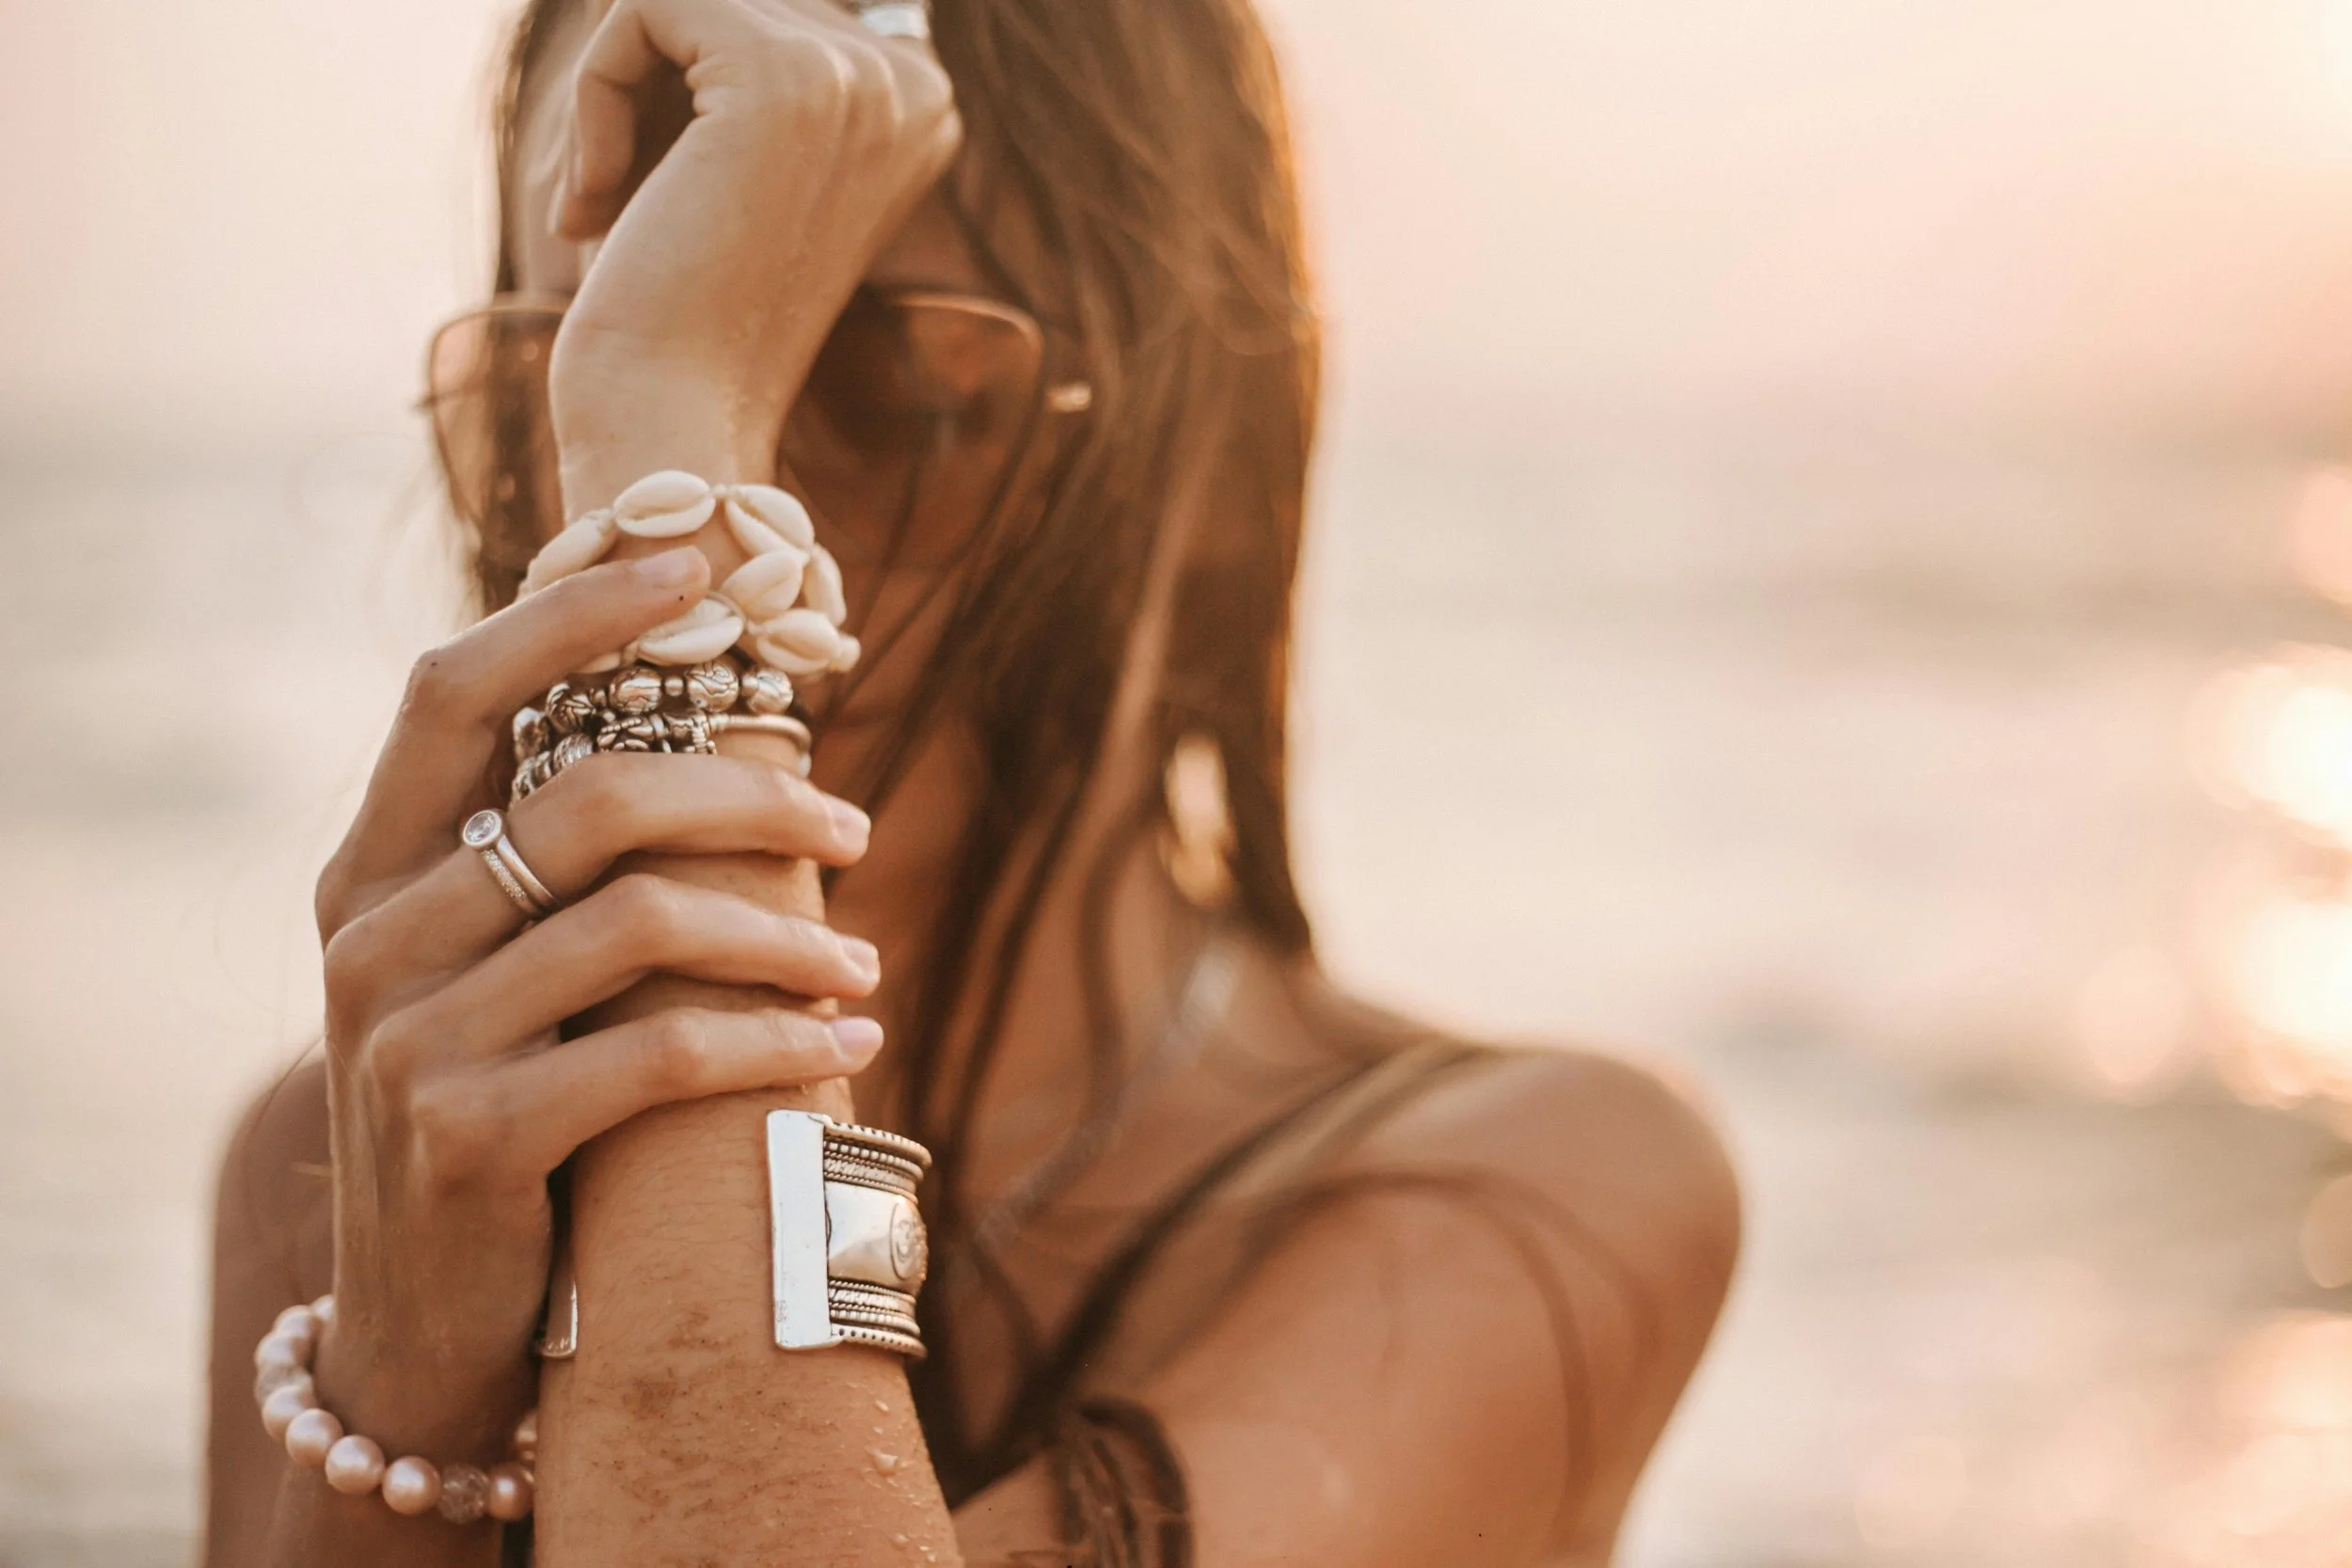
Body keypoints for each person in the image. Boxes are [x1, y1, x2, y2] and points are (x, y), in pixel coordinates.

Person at [201, 0, 1740, 1561]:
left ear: (1212, 482)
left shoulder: (1540, 1193)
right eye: (577, 389)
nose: (770, 529)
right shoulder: (365, 1152)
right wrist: (402, 1381)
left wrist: (673, 429)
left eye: (899, 390)